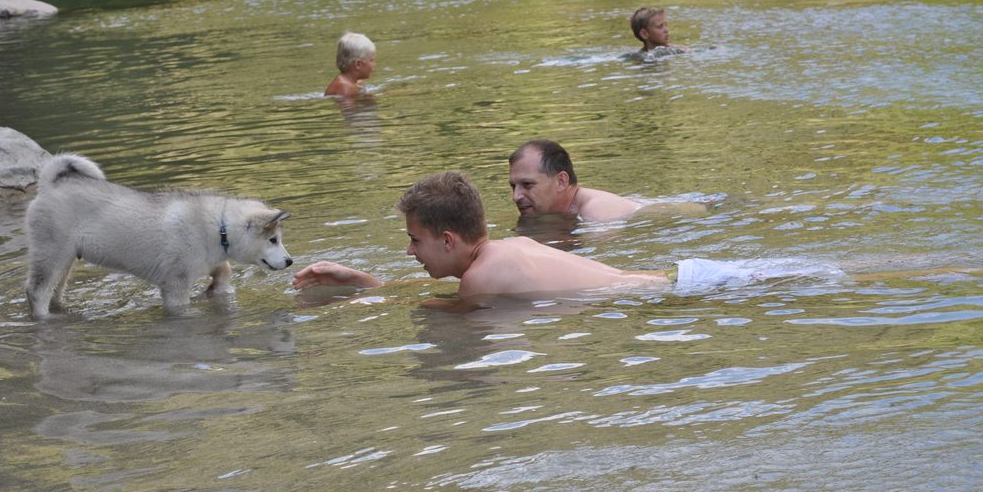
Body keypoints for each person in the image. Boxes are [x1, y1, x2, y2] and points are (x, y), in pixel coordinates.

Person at [293, 170, 730, 307]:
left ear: (448, 241)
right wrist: (363, 279)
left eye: (414, 240)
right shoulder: (504, 250)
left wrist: (362, 294)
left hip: (687, 291)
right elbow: (438, 291)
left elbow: (430, 303)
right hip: (687, 276)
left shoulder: (480, 279)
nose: (409, 251)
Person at [509, 139, 706, 222]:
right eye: (513, 186)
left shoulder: (597, 212)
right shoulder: (549, 212)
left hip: (695, 213)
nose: (516, 196)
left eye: (527, 185)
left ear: (561, 181)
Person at [325, 32, 376, 97]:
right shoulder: (345, 86)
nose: (374, 64)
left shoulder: (356, 82)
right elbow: (350, 104)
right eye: (371, 60)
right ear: (358, 64)